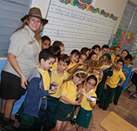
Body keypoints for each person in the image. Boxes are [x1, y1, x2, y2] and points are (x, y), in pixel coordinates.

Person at [0, 7, 47, 129]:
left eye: (38, 21)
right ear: (27, 20)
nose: (36, 23)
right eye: (33, 20)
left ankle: (2, 117)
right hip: (14, 74)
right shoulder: (21, 35)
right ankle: (5, 122)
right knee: (11, 99)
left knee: (6, 98)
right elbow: (11, 56)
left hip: (22, 74)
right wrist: (21, 76)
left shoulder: (36, 37)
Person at [19, 49, 56, 130]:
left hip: (40, 102)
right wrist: (47, 92)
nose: (51, 65)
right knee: (27, 124)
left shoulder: (47, 72)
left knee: (33, 123)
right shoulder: (36, 76)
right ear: (42, 61)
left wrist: (51, 85)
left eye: (52, 63)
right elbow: (32, 92)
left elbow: (44, 84)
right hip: (32, 105)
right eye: (50, 63)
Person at [42, 54, 70, 131]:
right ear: (57, 63)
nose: (61, 66)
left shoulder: (67, 77)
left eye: (64, 65)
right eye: (60, 64)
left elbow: (65, 89)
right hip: (47, 96)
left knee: (51, 115)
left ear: (67, 66)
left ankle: (46, 128)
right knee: (42, 113)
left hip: (56, 99)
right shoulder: (50, 72)